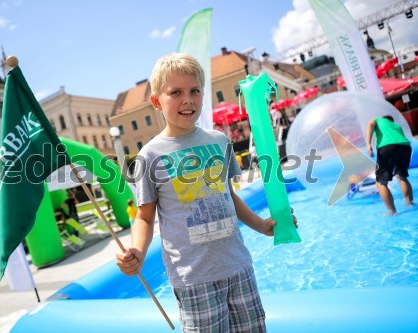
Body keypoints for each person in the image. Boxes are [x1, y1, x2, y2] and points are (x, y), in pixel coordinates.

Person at [116, 53, 297, 332]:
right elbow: (144, 216)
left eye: (194, 91)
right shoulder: (150, 155)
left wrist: (262, 225)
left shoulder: (219, 141)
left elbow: (229, 196)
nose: (187, 99)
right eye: (175, 92)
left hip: (238, 267)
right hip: (193, 279)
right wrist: (138, 251)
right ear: (156, 101)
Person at [366, 115, 414, 215]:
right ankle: (410, 203)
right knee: (402, 176)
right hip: (405, 147)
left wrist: (368, 144)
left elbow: (370, 124)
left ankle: (392, 211)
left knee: (381, 183)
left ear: (384, 118)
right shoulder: (396, 126)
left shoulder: (378, 120)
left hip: (388, 147)